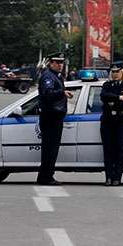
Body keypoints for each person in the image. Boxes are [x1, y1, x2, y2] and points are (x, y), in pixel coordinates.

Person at [37, 53, 73, 185]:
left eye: (61, 63)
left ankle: (45, 176)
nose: (60, 65)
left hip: (55, 116)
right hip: (50, 116)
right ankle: (46, 177)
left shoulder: (56, 76)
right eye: (57, 62)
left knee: (52, 148)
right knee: (49, 149)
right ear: (50, 63)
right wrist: (62, 92)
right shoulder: (48, 76)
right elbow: (47, 94)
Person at [99, 61, 123, 186]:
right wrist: (119, 98)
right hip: (108, 122)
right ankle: (108, 177)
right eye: (113, 72)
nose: (115, 74)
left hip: (122, 122)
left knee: (120, 151)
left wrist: (112, 102)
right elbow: (104, 96)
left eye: (117, 71)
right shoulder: (107, 85)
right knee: (108, 151)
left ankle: (117, 178)